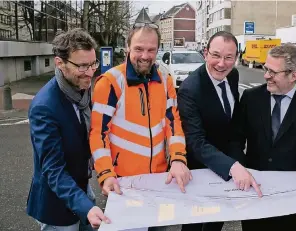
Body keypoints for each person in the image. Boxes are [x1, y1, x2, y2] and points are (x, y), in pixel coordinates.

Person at [228, 43, 296, 231]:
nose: (266, 76)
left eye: (273, 72)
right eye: (266, 69)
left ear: (293, 75)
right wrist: (239, 168)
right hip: (255, 193)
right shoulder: (250, 98)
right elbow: (234, 139)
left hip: (294, 201)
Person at [89, 22, 191, 198]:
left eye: (151, 50)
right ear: (128, 47)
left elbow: (173, 124)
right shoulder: (110, 82)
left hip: (160, 178)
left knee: (159, 226)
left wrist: (178, 159)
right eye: (139, 49)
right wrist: (105, 173)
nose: (145, 56)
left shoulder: (165, 81)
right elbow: (98, 133)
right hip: (123, 181)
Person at [177, 31, 262, 231]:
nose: (221, 64)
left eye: (228, 57)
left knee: (218, 220)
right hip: (199, 169)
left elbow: (231, 125)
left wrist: (237, 161)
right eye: (216, 55)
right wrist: (233, 166)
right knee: (194, 225)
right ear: (205, 53)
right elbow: (195, 141)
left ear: (236, 58)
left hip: (227, 167)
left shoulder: (233, 75)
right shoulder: (190, 89)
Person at [26, 28, 109, 230]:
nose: (90, 72)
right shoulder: (44, 107)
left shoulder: (83, 87)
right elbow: (53, 169)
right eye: (82, 66)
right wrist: (85, 207)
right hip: (56, 206)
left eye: (92, 64)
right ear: (60, 63)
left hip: (82, 188)